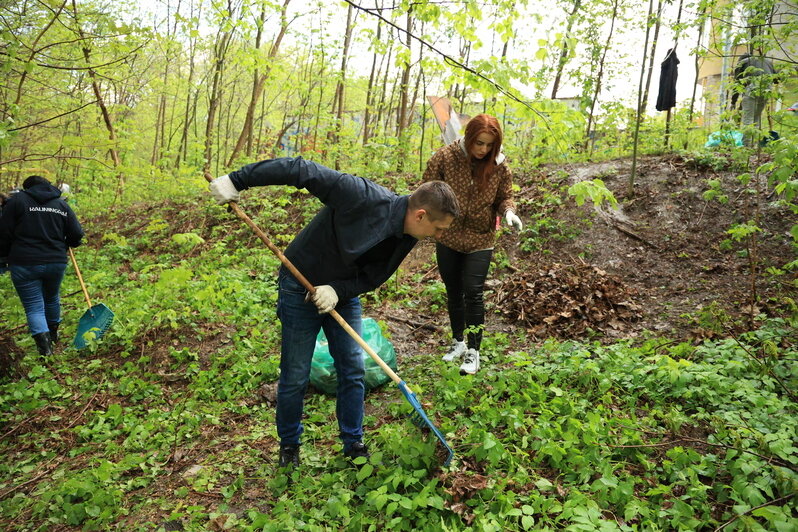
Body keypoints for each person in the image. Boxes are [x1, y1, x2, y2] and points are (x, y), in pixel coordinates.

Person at [208, 157, 459, 469]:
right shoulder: (361, 195)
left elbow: (372, 277)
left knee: (353, 369)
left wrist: (338, 290)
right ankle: (289, 448)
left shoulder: (409, 235)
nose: (436, 236)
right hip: (299, 282)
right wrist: (236, 180)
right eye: (437, 228)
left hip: (341, 294)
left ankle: (353, 444)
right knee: (296, 375)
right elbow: (300, 170)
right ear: (421, 214)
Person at [422, 113, 522, 376]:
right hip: (449, 235)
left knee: (473, 292)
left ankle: (473, 352)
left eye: (490, 145)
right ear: (469, 138)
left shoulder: (499, 166)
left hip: (481, 237)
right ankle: (458, 342)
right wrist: (431, 221)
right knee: (453, 290)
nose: (484, 150)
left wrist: (509, 212)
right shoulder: (445, 157)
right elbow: (427, 188)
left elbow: (505, 196)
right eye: (480, 143)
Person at [0, 175, 84, 355]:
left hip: (24, 263)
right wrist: (71, 242)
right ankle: (52, 337)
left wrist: (3, 256)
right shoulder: (61, 205)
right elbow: (77, 234)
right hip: (55, 262)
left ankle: (45, 350)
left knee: (34, 306)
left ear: (27, 188)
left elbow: (4, 233)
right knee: (52, 298)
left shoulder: (17, 202)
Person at [731, 54, 776, 146]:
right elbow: (776, 79)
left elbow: (737, 84)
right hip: (767, 90)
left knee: (748, 119)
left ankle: (746, 147)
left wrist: (733, 102)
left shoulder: (742, 63)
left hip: (752, 88)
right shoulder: (767, 61)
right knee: (756, 118)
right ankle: (754, 145)